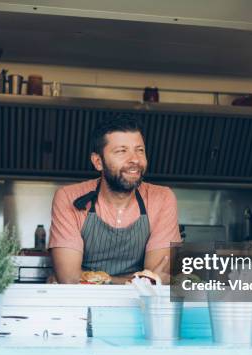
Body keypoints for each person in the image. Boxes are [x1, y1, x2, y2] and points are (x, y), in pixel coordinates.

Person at [48, 114, 181, 284]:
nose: (135, 159)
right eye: (121, 151)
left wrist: (94, 279)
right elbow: (69, 278)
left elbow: (157, 278)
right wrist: (136, 281)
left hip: (140, 305)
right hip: (80, 304)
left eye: (140, 150)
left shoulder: (162, 198)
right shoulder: (68, 197)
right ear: (98, 162)